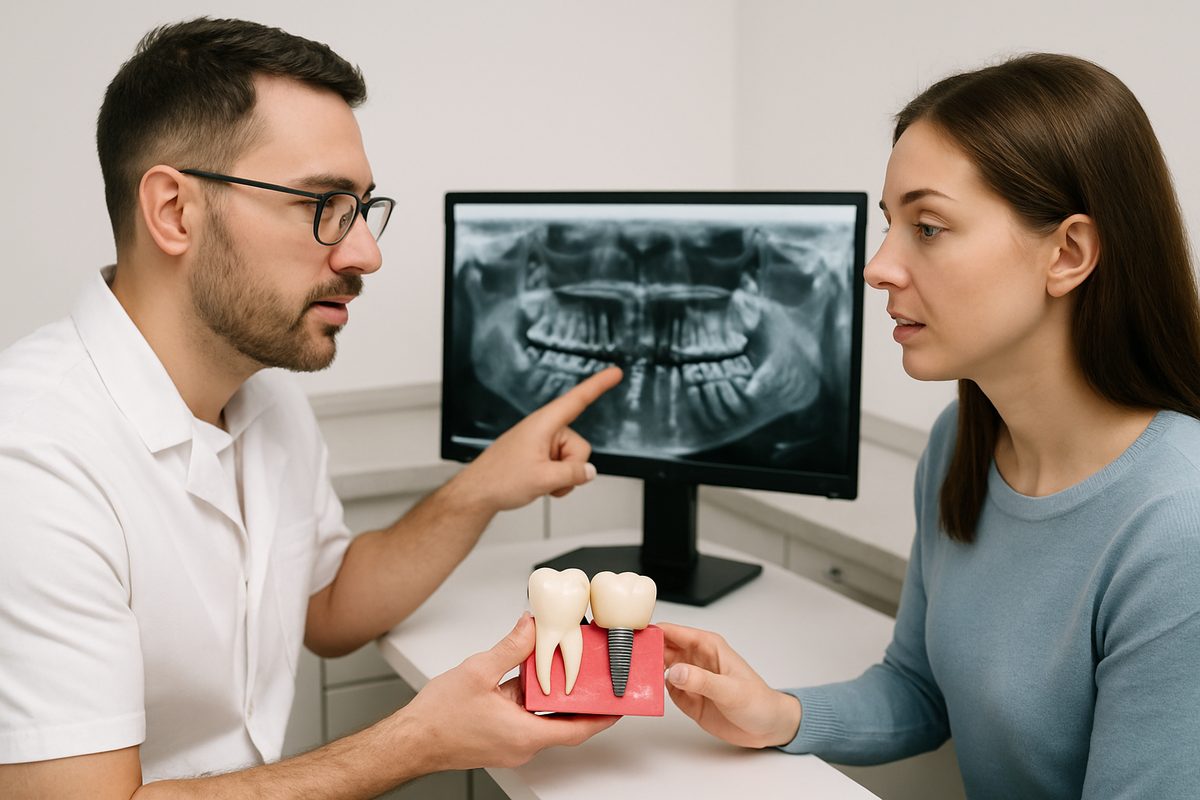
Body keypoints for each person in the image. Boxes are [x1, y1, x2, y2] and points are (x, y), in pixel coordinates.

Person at [0, 17, 622, 798]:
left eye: (364, 207)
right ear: (173, 211)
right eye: (324, 203)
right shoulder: (31, 461)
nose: (365, 252)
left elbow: (326, 606)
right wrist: (420, 740)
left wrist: (486, 485)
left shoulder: (265, 397)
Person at [659, 53, 1200, 798]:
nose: (878, 266)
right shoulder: (961, 447)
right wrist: (776, 715)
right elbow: (920, 691)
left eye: (930, 227)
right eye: (890, 226)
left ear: (1068, 252)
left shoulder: (1178, 529)